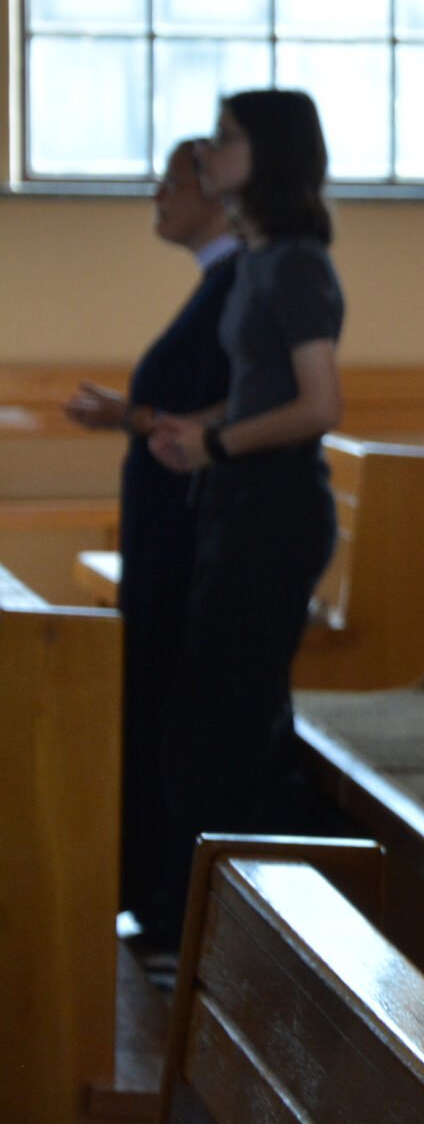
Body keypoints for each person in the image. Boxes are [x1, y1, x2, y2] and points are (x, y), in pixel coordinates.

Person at [142, 91, 345, 937]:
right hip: (240, 505)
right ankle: (218, 929)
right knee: (219, 722)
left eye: (225, 138)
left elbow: (320, 403)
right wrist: (196, 429)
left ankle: (226, 935)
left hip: (276, 511)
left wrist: (217, 444)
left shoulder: (296, 262)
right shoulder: (261, 257)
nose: (207, 152)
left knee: (216, 731)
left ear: (270, 154)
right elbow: (261, 391)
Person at [60, 139, 239, 953]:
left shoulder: (242, 283)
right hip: (167, 532)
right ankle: (157, 899)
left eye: (172, 181)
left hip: (191, 537)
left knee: (175, 715)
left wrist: (126, 417)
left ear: (219, 193)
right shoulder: (218, 281)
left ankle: (174, 906)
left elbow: (237, 413)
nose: (157, 195)